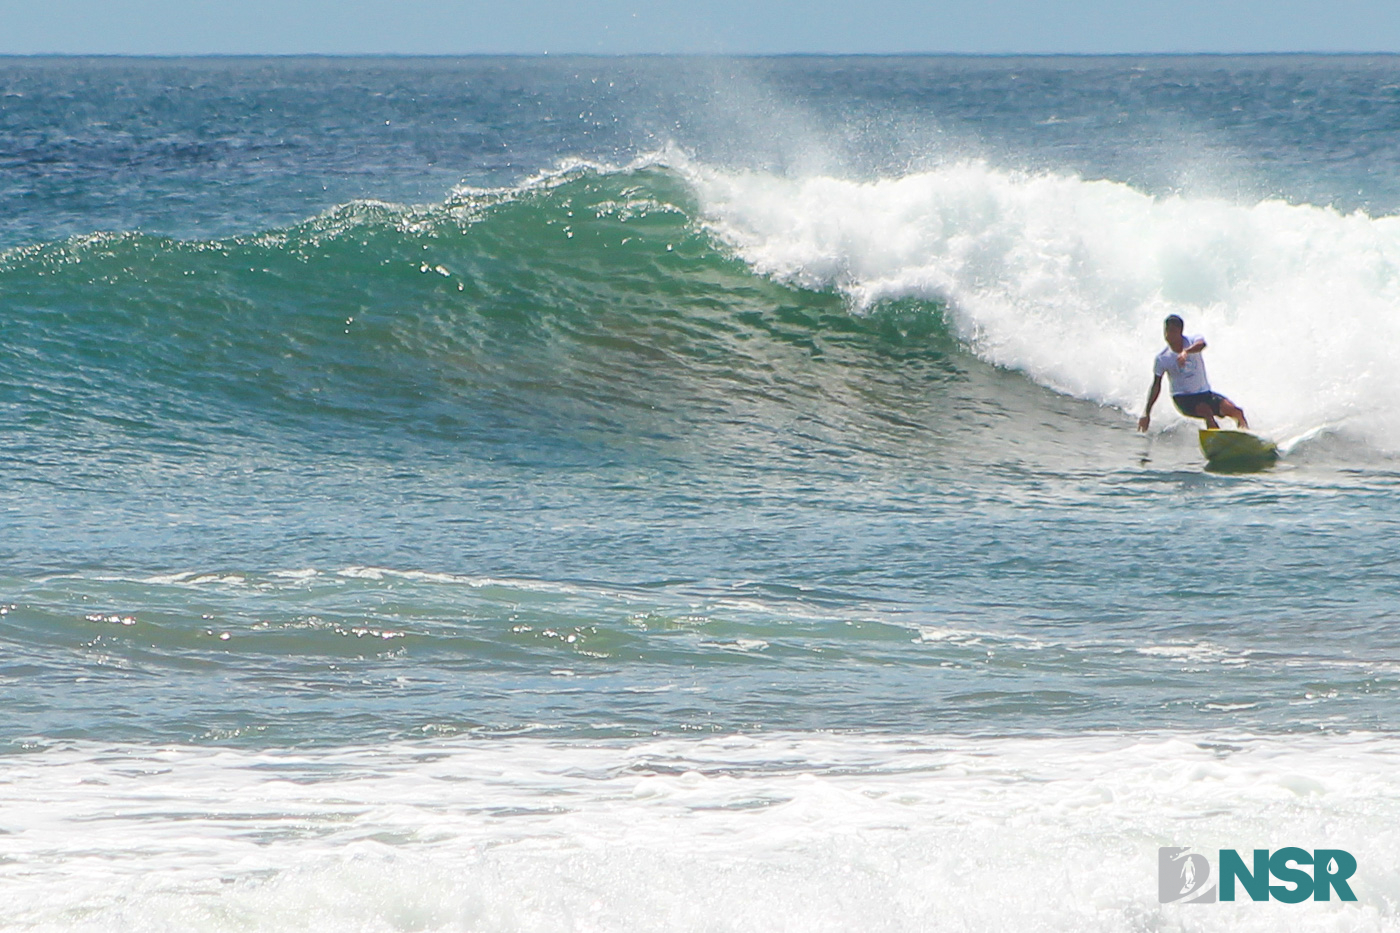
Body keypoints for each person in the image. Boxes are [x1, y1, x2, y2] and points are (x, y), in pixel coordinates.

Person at [1137, 315, 1248, 432]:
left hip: (1205, 394)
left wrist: (1186, 352)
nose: (1168, 335)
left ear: (1180, 331)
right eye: (1166, 330)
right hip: (1182, 398)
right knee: (1206, 411)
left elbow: (1202, 345)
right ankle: (1217, 438)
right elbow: (1156, 386)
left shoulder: (1193, 341)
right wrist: (1147, 413)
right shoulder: (1162, 358)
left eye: (1172, 331)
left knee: (1237, 412)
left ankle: (1246, 437)